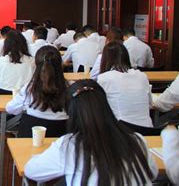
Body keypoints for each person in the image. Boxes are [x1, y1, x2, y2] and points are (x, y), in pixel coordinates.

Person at [25, 79, 158, 185]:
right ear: (106, 106)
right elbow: (153, 173)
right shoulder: (138, 140)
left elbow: (31, 171)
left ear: (71, 114)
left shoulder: (69, 146)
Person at [6, 46, 68, 135]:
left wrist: (24, 105)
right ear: (60, 64)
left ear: (36, 64)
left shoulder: (29, 89)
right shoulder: (70, 87)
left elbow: (10, 109)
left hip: (31, 139)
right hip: (61, 141)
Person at [97, 41, 153, 127]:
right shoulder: (142, 76)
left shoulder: (104, 78)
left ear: (105, 59)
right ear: (127, 57)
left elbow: (100, 108)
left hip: (121, 131)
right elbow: (150, 104)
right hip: (148, 129)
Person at [0, 30, 35, 95]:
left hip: (2, 97)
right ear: (24, 45)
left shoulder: (2, 61)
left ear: (6, 45)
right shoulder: (32, 61)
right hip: (25, 98)